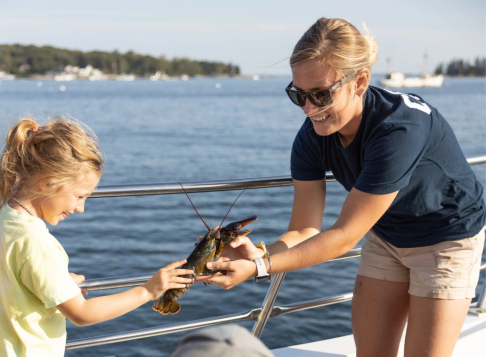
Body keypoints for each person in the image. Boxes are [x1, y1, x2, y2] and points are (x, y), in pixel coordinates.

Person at [200, 18, 485, 357]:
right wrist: (262, 254)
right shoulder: (312, 135)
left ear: (360, 81)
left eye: (320, 95)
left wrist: (259, 269)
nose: (308, 109)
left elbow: (347, 235)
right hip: (387, 234)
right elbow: (305, 228)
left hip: (446, 237)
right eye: (298, 95)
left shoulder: (399, 129)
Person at [0, 117, 194, 356]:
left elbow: (8, 276)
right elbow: (82, 314)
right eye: (79, 196)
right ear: (47, 183)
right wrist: (148, 290)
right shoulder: (36, 243)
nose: (81, 208)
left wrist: (56, 281)